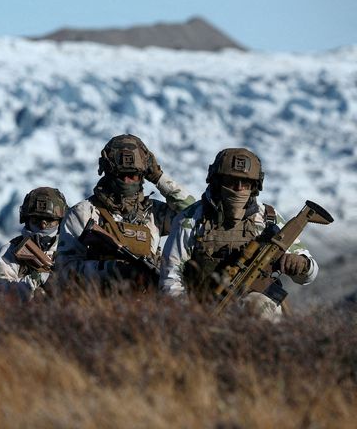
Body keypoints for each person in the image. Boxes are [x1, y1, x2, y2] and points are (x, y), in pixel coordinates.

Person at [159, 148, 318, 320]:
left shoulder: (267, 219)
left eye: (246, 184)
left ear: (255, 187)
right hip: (204, 308)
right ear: (217, 182)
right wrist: (188, 316)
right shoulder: (191, 219)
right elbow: (171, 277)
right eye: (231, 182)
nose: (239, 189)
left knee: (260, 307)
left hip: (254, 307)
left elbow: (309, 274)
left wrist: (302, 264)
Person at [54, 134, 195, 292]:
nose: (127, 181)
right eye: (121, 175)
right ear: (108, 173)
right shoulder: (84, 212)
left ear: (143, 175)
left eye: (133, 175)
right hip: (97, 306)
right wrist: (112, 270)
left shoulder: (154, 213)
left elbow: (193, 214)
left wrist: (158, 177)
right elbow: (64, 271)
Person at [0, 187, 67, 302]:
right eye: (36, 220)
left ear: (60, 222)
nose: (43, 226)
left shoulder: (71, 249)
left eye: (49, 221)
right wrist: (36, 279)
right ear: (26, 220)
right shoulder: (8, 253)